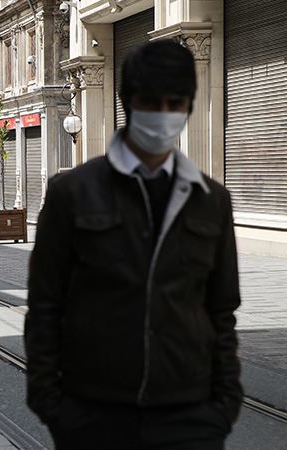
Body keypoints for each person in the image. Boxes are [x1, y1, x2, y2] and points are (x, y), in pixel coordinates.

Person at [24, 40, 242, 450]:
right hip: (94, 413)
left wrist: (223, 404)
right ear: (127, 102)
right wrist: (53, 404)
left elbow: (221, 309)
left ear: (189, 107)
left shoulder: (211, 199)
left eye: (175, 102)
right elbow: (45, 305)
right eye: (150, 102)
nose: (162, 115)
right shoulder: (72, 192)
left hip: (189, 415)